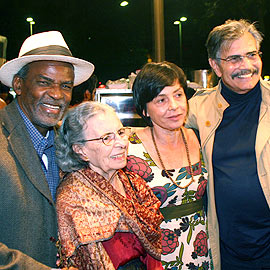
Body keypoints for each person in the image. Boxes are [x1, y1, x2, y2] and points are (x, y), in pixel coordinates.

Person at [0, 31, 94, 269]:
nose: (56, 94)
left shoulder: (66, 141)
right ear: (18, 85)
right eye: (44, 82)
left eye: (66, 86)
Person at [186, 19, 270, 270]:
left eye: (251, 55)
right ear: (215, 66)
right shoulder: (195, 110)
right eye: (234, 59)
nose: (246, 66)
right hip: (226, 251)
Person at [55, 101, 163, 270]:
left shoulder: (133, 182)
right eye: (107, 138)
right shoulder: (73, 197)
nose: (121, 143)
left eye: (121, 132)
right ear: (80, 150)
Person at [126, 61, 212, 269]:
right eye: (161, 100)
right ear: (145, 109)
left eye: (178, 95)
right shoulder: (129, 149)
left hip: (203, 248)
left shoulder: (200, 137)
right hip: (155, 255)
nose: (173, 106)